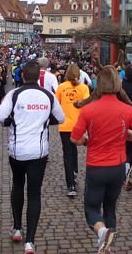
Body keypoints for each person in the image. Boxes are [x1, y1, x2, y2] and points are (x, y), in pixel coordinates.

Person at [70, 65, 132, 254]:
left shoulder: (89, 110)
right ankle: (107, 247)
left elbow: (75, 138)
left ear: (99, 84)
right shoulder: (127, 110)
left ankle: (102, 232)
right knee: (110, 208)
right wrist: (129, 135)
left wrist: (86, 141)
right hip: (118, 167)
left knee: (91, 209)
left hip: (96, 166)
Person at [0, 61, 65, 254]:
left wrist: (13, 120)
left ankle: (17, 228)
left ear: (23, 76)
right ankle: (30, 242)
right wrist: (43, 120)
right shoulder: (48, 95)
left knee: (18, 185)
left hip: (17, 150)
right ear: (39, 76)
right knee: (34, 193)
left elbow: (0, 116)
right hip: (39, 152)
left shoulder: (14, 94)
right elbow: (60, 118)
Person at [56, 64, 90, 196]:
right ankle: (74, 172)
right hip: (79, 125)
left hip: (65, 125)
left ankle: (71, 184)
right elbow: (86, 106)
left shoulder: (61, 87)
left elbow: (57, 105)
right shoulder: (84, 88)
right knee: (73, 149)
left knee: (68, 153)